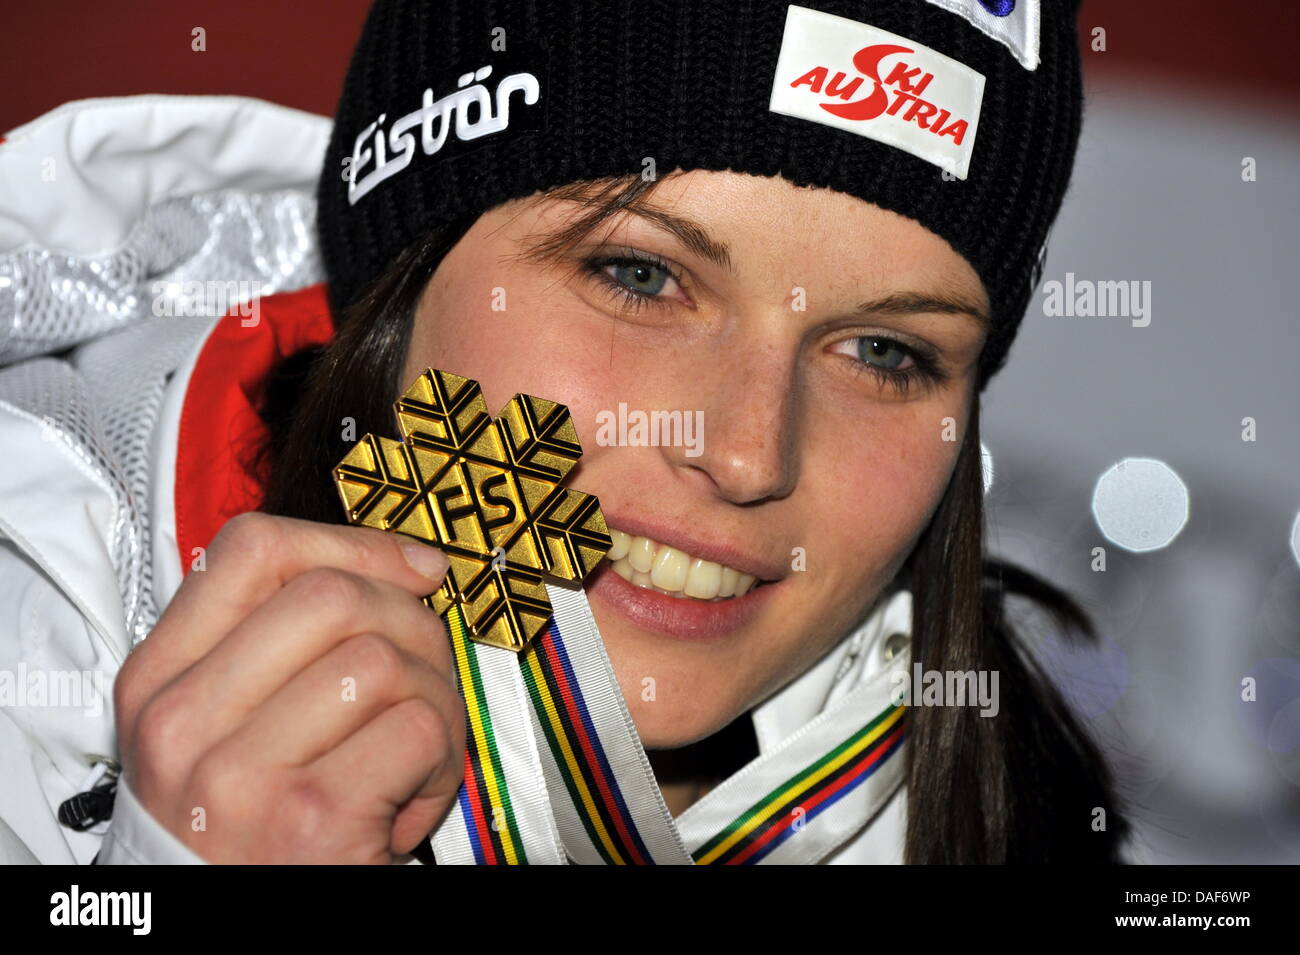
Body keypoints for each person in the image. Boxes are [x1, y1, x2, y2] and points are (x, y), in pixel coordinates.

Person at [0, 0, 1128, 864]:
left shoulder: (1001, 813)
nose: (747, 455)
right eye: (640, 276)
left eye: (883, 351)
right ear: (402, 277)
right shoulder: (30, 681)